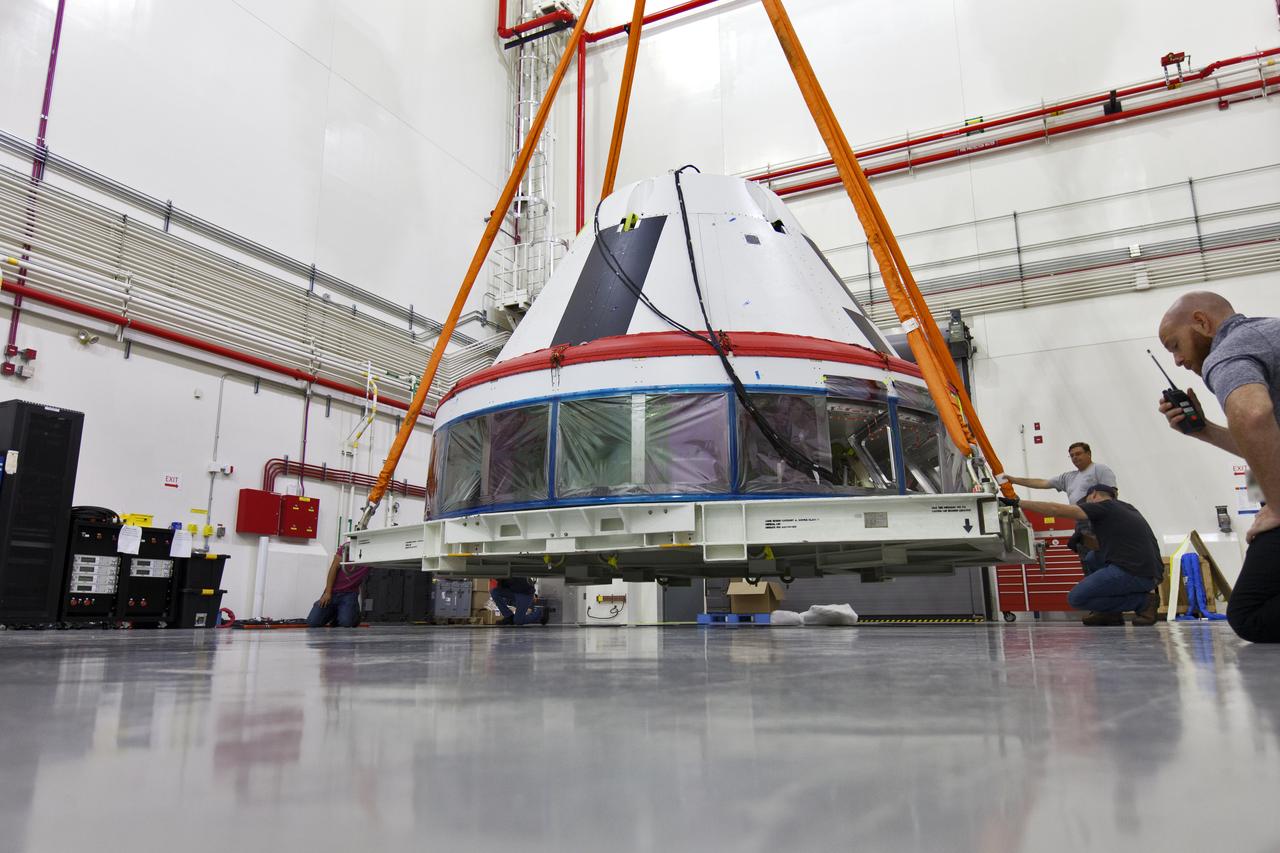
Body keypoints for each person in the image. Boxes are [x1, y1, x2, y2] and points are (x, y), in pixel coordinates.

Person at [1157, 292, 1280, 643]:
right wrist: (1204, 430)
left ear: (1202, 323)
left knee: (1250, 613)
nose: (1179, 360)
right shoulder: (1268, 332)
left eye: (1175, 346)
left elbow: (1253, 416)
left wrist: (1277, 503)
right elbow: (1266, 436)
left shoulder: (1227, 353)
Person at [1007, 484, 1163, 626]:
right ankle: (1110, 614)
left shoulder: (1103, 506)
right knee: (1092, 557)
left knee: (1077, 598)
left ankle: (1143, 602)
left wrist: (1017, 503)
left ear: (1093, 495)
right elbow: (1103, 546)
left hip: (1136, 573)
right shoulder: (1126, 508)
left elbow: (1055, 510)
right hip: (1151, 573)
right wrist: (1081, 539)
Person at [998, 442, 1117, 569]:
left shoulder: (1099, 469)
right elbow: (1043, 483)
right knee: (1088, 560)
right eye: (1072, 455)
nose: (1075, 457)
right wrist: (1015, 480)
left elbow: (1111, 495)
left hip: (1098, 521)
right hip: (1080, 521)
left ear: (1088, 454)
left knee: (1103, 559)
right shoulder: (1069, 477)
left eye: (1078, 454)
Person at [307, 543, 371, 628]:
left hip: (350, 594)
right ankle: (338, 612)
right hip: (333, 592)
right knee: (313, 622)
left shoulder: (373, 553)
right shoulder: (347, 547)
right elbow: (334, 567)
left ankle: (353, 615)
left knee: (346, 623)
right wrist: (327, 592)